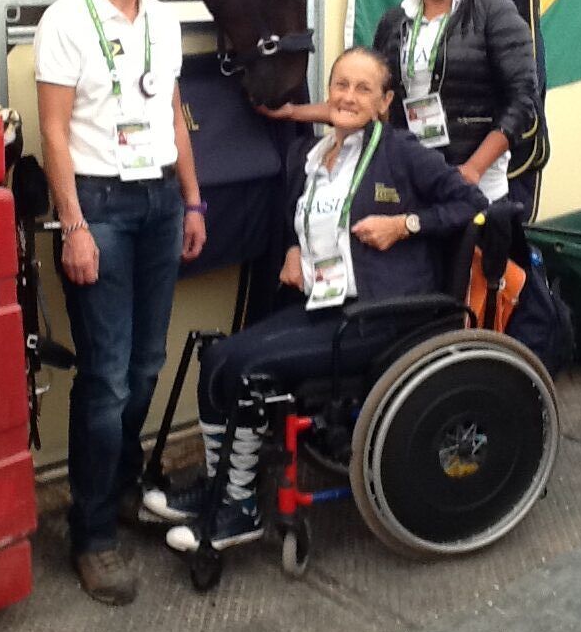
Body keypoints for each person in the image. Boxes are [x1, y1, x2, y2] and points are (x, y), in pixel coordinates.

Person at [142, 47, 487, 552]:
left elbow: (471, 202)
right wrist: (291, 248)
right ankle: (224, 493)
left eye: (363, 89)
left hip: (381, 316)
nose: (348, 96)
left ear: (385, 101)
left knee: (240, 365)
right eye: (341, 85)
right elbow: (297, 215)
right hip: (325, 305)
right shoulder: (313, 155)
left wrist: (405, 224)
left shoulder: (400, 153)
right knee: (216, 355)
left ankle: (239, 510)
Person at [34, 0, 206, 605]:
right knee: (105, 378)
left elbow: (172, 113)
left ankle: (122, 487)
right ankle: (92, 532)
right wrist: (73, 225)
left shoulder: (162, 22)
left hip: (160, 197)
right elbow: (52, 133)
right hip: (98, 204)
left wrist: (192, 198)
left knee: (145, 366)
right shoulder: (65, 21)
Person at [264, 0, 538, 203]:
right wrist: (293, 112)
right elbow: (370, 100)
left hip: (474, 181)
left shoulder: (496, 13)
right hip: (409, 174)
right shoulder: (394, 21)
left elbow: (522, 102)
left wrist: (473, 168)